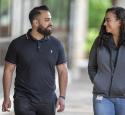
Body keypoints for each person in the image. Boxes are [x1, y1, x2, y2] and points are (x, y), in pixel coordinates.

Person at [2, 5, 68, 115]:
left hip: (48, 101)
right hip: (23, 100)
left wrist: (62, 96)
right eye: (47, 20)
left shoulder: (57, 44)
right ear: (35, 22)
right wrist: (6, 97)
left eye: (50, 20)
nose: (51, 23)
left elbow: (63, 71)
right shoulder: (17, 44)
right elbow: (8, 71)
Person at [88, 7, 125, 115]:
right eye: (105, 20)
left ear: (120, 22)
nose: (104, 23)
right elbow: (91, 67)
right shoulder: (99, 42)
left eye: (108, 20)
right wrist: (98, 82)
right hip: (102, 97)